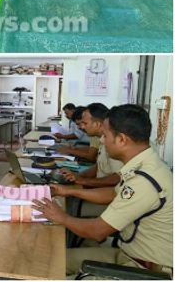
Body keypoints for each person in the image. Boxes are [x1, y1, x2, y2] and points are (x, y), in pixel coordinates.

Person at [32, 104, 172, 276]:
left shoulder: (144, 181)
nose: (102, 141)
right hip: (127, 254)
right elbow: (113, 193)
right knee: (46, 259)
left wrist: (61, 217)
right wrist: (68, 191)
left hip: (142, 269)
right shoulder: (144, 164)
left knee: (48, 267)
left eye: (105, 136)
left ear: (121, 139)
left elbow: (97, 232)